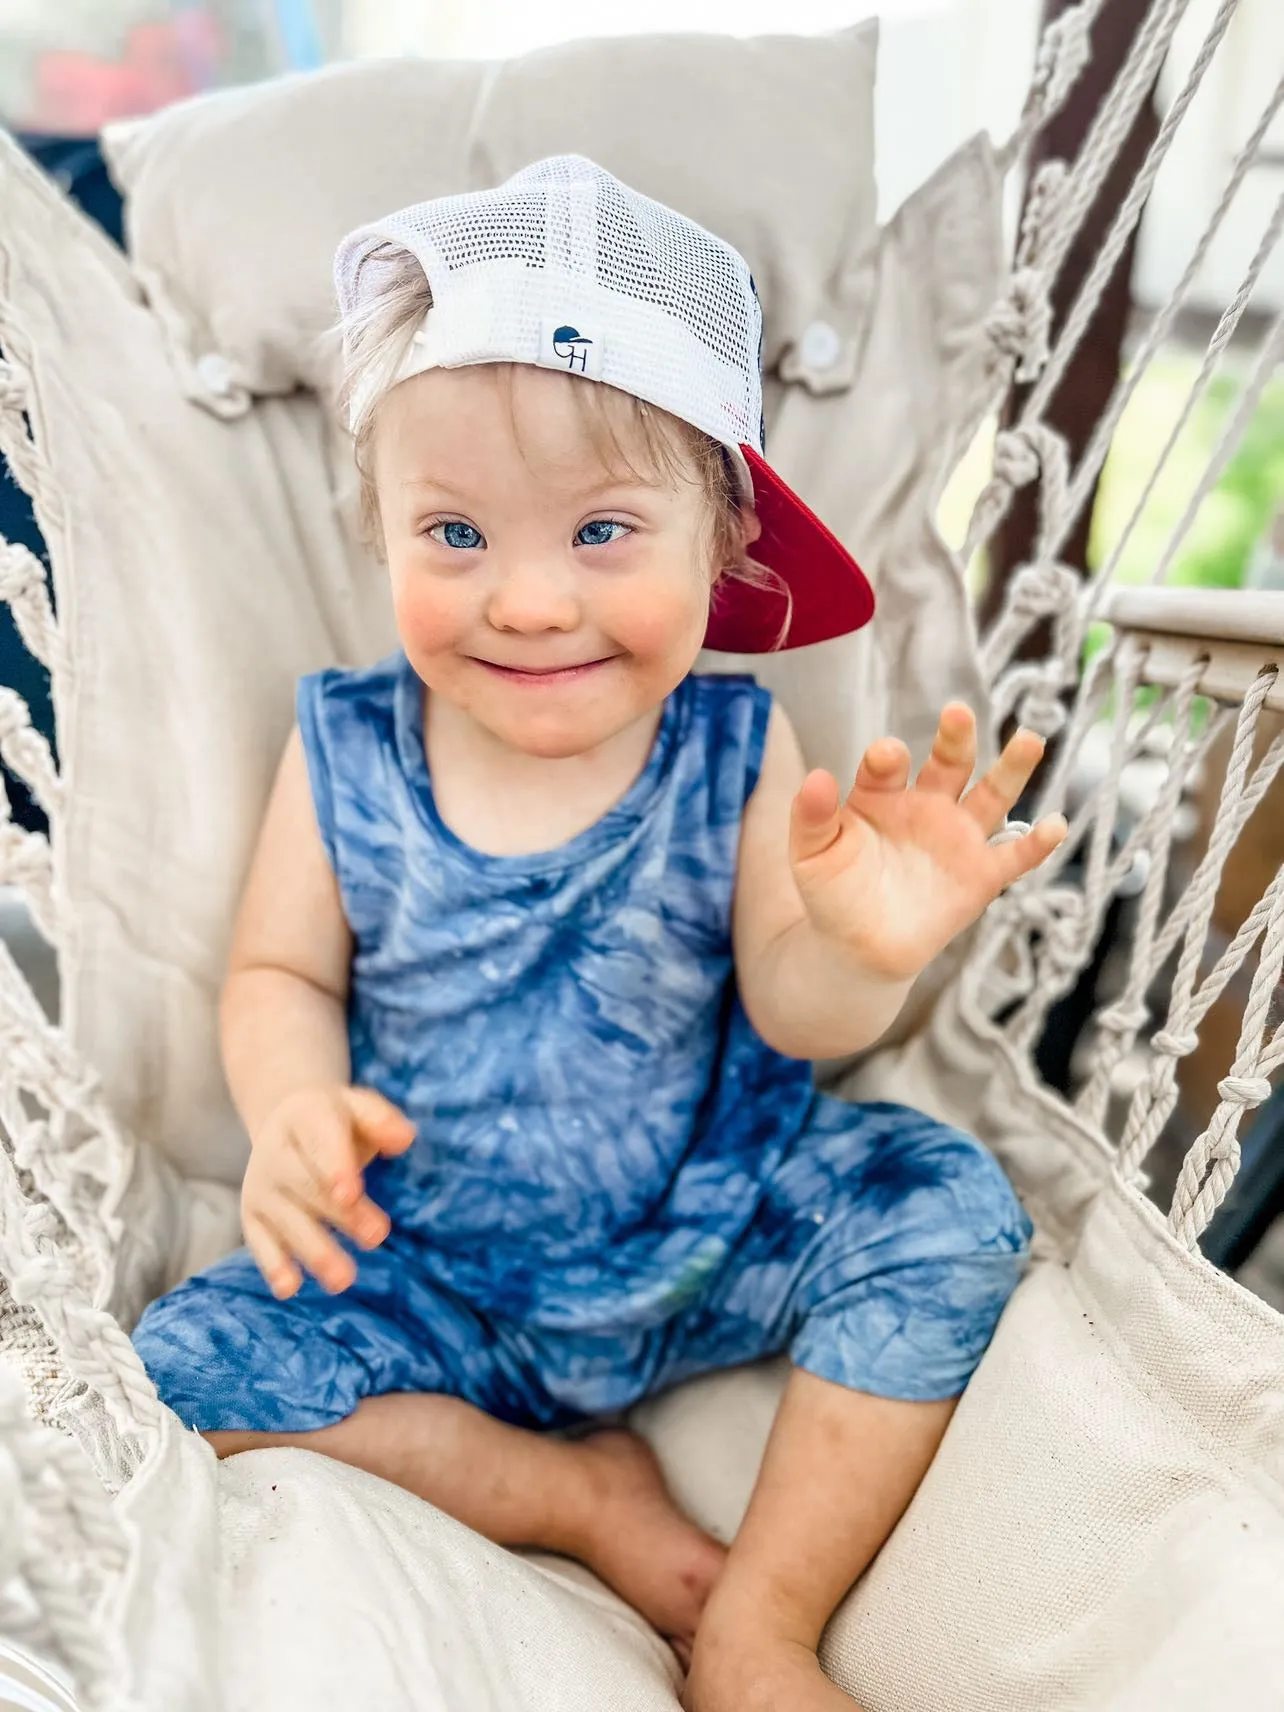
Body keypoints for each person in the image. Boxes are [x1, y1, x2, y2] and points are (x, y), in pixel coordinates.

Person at [132, 156, 1066, 1711]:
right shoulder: (350, 745)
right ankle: (574, 1496)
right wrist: (292, 1105)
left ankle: (760, 1621)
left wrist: (866, 949)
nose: (527, 601)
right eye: (454, 536)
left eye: (603, 534)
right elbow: (280, 972)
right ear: (381, 532)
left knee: (946, 1208)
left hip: (706, 1228)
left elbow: (796, 1006)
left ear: (725, 546)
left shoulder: (730, 748)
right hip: (428, 1261)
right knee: (173, 1373)